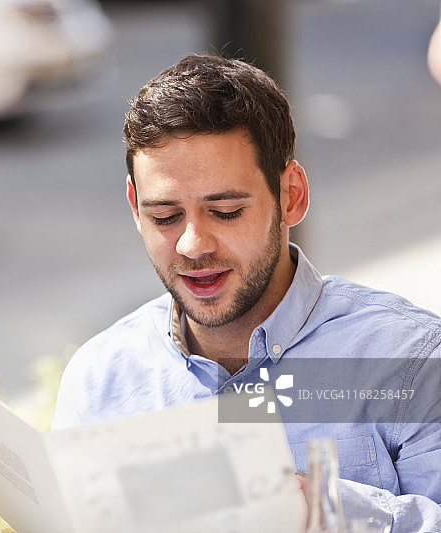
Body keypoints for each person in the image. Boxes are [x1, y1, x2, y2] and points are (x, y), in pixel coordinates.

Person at [52, 54, 441, 531]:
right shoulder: (100, 380)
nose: (193, 245)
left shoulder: (412, 361)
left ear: (292, 195)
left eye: (227, 211)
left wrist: (316, 508)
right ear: (135, 206)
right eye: (165, 217)